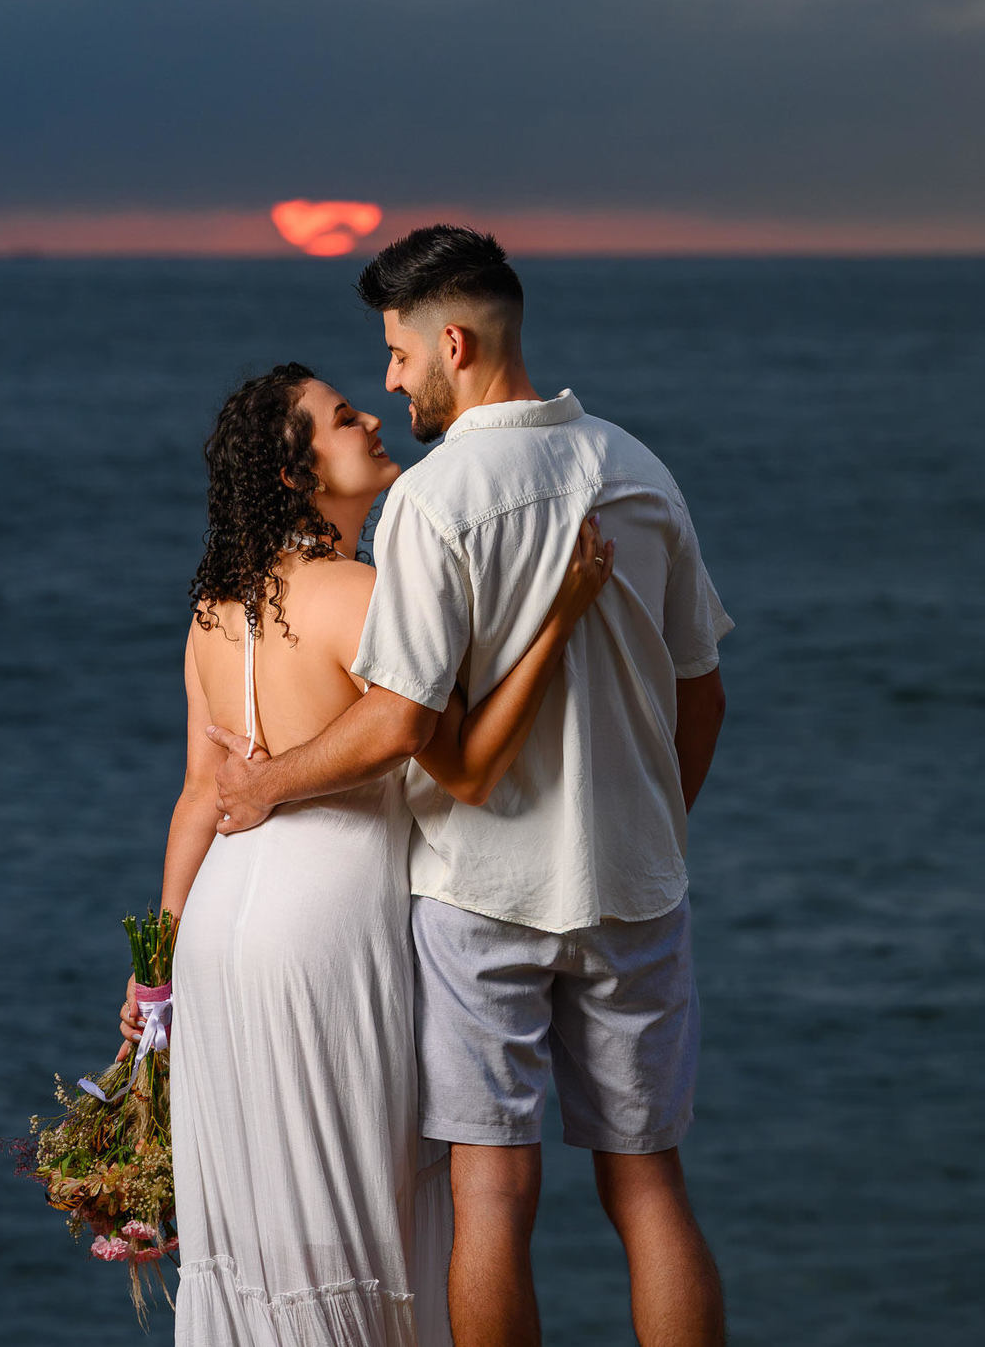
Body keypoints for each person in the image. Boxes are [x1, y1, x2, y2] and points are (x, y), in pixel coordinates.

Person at [212, 227, 733, 1347]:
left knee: (492, 1193)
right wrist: (655, 828)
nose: (393, 382)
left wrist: (266, 787)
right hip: (635, 888)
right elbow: (705, 696)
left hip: (480, 890)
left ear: (453, 343)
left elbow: (402, 720)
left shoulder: (434, 501)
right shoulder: (642, 473)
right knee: (649, 1186)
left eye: (399, 356)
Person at [119, 360, 614, 1346]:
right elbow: (467, 763)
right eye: (344, 419)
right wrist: (558, 617)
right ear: (296, 472)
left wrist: (155, 971)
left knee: (266, 1215)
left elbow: (197, 797)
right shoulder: (362, 593)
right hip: (329, 924)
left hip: (221, 927)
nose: (373, 423)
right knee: (352, 1196)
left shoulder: (215, 610)